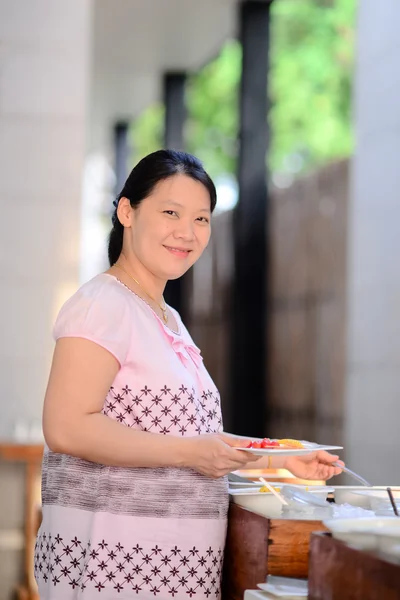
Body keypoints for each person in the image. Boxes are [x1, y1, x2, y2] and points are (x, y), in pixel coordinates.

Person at [34, 150, 342, 599]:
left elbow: (195, 440)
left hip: (171, 572)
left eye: (201, 219)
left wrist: (278, 461)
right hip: (110, 571)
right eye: (171, 213)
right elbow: (65, 427)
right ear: (127, 212)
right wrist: (189, 453)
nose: (188, 232)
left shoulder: (166, 317)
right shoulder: (102, 304)